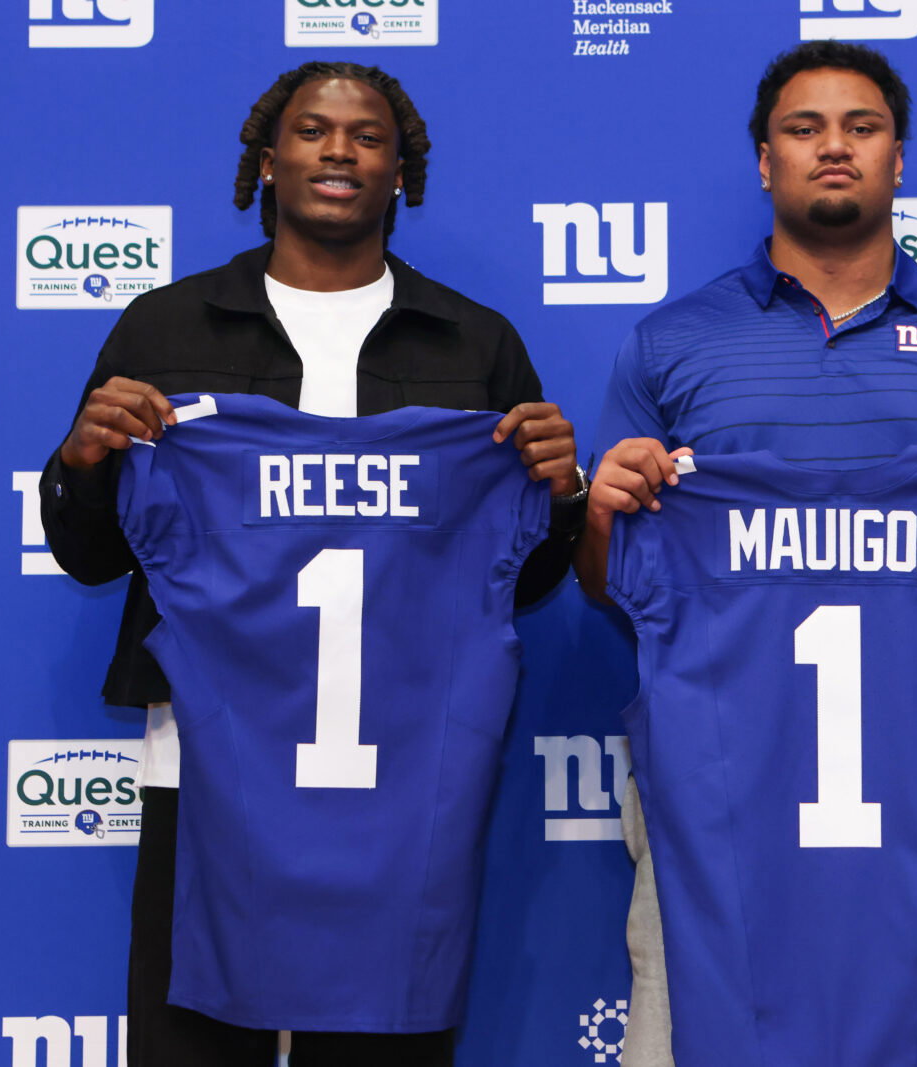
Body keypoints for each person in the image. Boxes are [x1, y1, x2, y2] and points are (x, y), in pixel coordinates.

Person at [576, 41, 917, 1067]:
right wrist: (603, 514)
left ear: (898, 160)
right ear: (764, 159)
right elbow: (620, 587)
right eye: (804, 127)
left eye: (860, 127)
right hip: (720, 787)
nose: (834, 147)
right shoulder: (671, 342)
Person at [39, 60, 585, 1067]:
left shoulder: (474, 340)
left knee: (385, 1040)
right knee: (195, 1039)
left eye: (368, 135)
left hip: (407, 759)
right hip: (209, 756)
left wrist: (562, 497)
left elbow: (519, 574)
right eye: (311, 130)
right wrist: (81, 459)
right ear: (266, 158)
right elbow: (88, 552)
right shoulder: (165, 325)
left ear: (400, 169)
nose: (339, 150)